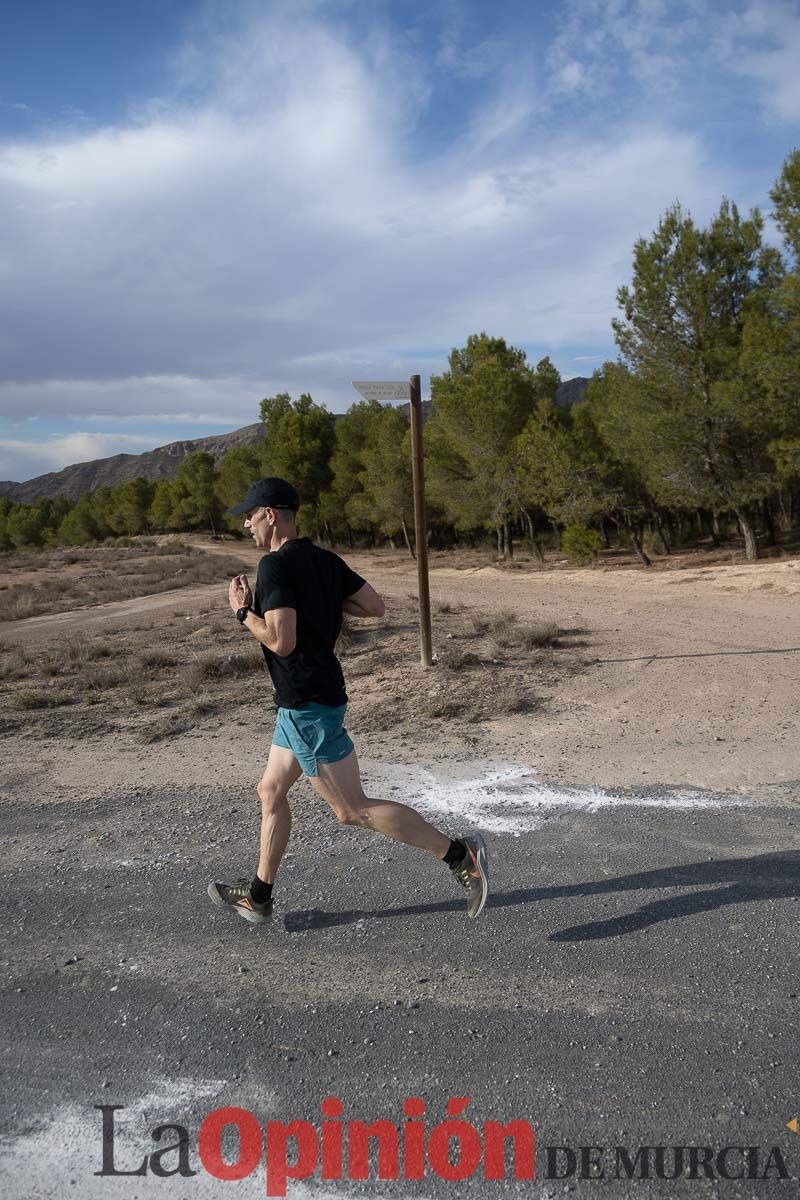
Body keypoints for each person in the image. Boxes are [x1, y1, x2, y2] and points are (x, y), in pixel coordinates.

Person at [207, 476, 489, 924]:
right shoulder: (325, 559)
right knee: (271, 790)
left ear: (270, 515)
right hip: (304, 702)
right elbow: (374, 607)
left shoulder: (274, 567)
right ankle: (259, 896)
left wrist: (242, 613)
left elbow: (281, 641)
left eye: (249, 515)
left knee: (351, 809)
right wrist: (324, 605)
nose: (245, 524)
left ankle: (459, 855)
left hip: (307, 704)